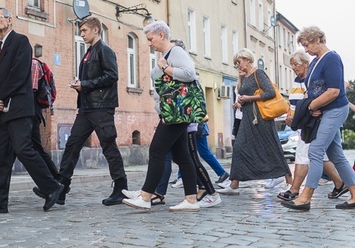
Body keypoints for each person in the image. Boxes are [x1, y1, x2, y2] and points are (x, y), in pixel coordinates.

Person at [0, 7, 63, 214]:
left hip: (18, 108)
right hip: (0, 110)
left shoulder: (21, 41)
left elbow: (19, 74)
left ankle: (52, 187)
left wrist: (0, 96)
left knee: (24, 149)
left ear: (9, 20)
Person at [281, 27, 355, 210]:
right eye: (304, 46)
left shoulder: (331, 58)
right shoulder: (316, 61)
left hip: (335, 109)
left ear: (318, 39)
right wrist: (313, 107)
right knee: (336, 155)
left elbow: (334, 91)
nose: (306, 49)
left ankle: (305, 197)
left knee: (315, 151)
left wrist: (311, 106)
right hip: (324, 111)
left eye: (307, 44)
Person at [123, 21, 201, 211]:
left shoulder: (175, 52)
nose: (149, 43)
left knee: (157, 151)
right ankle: (191, 200)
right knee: (182, 155)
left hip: (176, 112)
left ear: (161, 35)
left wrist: (165, 68)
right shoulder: (167, 55)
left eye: (150, 39)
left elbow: (190, 74)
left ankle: (146, 196)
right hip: (173, 112)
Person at [57, 16, 128, 206]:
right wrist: (80, 85)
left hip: (102, 107)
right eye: (80, 32)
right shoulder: (89, 52)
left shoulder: (105, 50)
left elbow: (112, 76)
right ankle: (61, 188)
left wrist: (85, 84)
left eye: (84, 31)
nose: (81, 35)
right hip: (87, 108)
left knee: (108, 147)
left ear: (96, 29)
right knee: (72, 145)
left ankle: (121, 189)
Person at [219, 48, 292, 195]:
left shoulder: (258, 73)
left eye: (238, 62)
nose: (237, 66)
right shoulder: (245, 77)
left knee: (272, 148)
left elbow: (270, 92)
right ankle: (234, 185)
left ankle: (290, 181)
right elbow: (246, 95)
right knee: (239, 148)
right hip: (248, 119)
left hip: (261, 119)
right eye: (235, 64)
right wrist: (241, 102)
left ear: (247, 59)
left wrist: (249, 99)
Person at [277, 49, 345, 202]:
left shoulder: (311, 80)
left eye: (296, 64)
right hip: (302, 122)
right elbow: (295, 101)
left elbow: (315, 99)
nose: (294, 67)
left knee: (304, 155)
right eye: (292, 65)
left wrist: (308, 111)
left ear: (306, 64)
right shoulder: (297, 80)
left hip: (310, 122)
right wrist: (290, 114)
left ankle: (295, 190)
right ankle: (341, 183)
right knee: (321, 157)